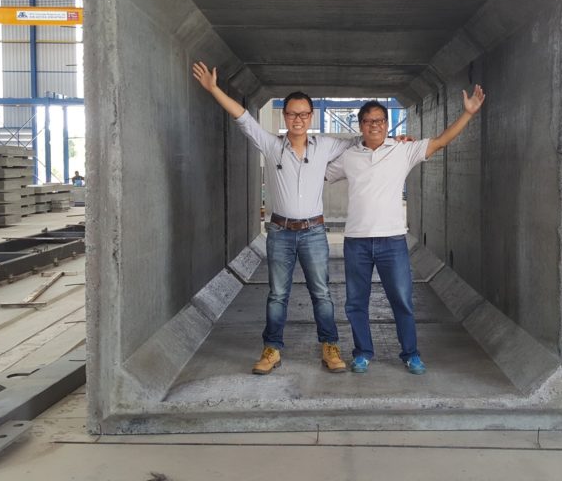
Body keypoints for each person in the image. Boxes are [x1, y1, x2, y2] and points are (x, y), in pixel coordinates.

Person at [191, 61, 351, 376]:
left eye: (303, 114)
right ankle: (272, 349)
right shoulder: (271, 145)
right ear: (284, 116)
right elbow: (243, 118)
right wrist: (213, 89)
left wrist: (398, 141)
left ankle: (329, 346)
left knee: (321, 293)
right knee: (278, 294)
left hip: (314, 233)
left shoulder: (325, 146)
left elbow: (363, 141)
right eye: (292, 114)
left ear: (311, 117)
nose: (298, 119)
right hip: (280, 233)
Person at [325, 85, 485, 375]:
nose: (374, 125)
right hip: (356, 242)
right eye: (368, 121)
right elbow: (319, 173)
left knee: (401, 300)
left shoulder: (403, 150)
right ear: (360, 126)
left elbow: (441, 141)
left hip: (392, 241)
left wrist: (468, 113)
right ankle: (362, 353)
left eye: (379, 121)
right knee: (356, 303)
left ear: (387, 124)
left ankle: (410, 354)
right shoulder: (349, 157)